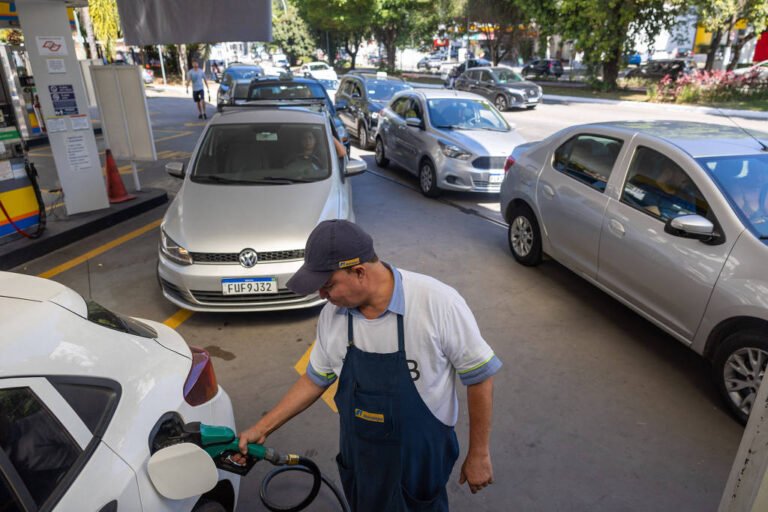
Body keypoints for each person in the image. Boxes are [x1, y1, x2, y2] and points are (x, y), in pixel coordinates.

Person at [237, 220, 501, 511]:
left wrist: (479, 453)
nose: (321, 296)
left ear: (359, 272)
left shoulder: (437, 303)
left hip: (418, 462)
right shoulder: (333, 316)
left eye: (327, 286)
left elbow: (479, 376)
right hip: (362, 460)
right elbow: (315, 379)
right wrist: (263, 428)